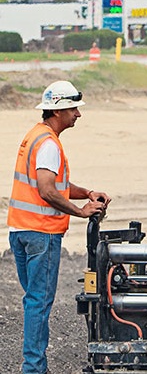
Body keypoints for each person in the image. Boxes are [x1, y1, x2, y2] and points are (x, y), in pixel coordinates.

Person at [8, 80, 111, 374]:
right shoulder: (49, 144)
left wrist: (87, 192)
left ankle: (34, 366)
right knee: (39, 303)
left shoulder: (35, 137)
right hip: (41, 233)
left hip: (21, 231)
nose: (78, 114)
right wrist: (81, 211)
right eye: (74, 108)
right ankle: (34, 369)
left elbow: (58, 185)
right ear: (59, 110)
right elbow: (47, 190)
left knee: (33, 301)